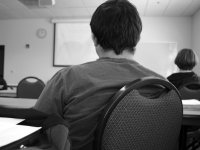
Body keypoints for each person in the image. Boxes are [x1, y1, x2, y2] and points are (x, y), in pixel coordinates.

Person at [33, 0, 164, 149]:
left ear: (94, 38)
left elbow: (34, 126)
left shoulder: (66, 78)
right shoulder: (162, 85)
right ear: (137, 39)